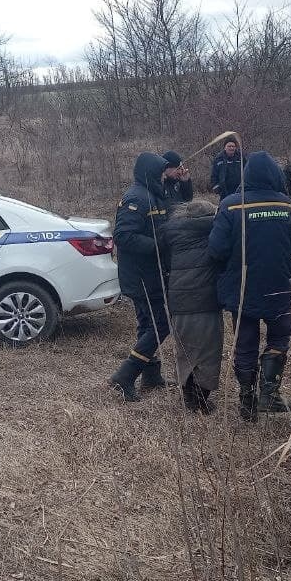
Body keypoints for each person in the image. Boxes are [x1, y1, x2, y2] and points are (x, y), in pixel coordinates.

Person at [209, 151, 291, 421]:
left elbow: (215, 249)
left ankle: (247, 400)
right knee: (281, 334)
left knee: (245, 342)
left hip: (242, 286)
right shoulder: (286, 205)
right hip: (278, 284)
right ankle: (268, 394)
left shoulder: (231, 205)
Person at [108, 153, 173, 401]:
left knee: (147, 323)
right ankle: (125, 375)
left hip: (152, 273)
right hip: (141, 276)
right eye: (160, 172)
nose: (163, 176)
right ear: (149, 173)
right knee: (161, 325)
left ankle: (151, 374)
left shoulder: (153, 194)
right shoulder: (136, 197)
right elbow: (123, 236)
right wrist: (157, 244)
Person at [164, 199, 222, 413]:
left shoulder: (175, 235)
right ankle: (199, 401)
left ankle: (189, 396)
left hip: (178, 303)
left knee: (185, 351)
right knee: (208, 353)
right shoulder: (212, 232)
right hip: (204, 302)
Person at [209, 137, 243, 201]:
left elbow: (247, 172)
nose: (231, 148)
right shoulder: (219, 159)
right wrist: (218, 189)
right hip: (225, 193)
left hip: (240, 193)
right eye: (229, 146)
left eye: (233, 146)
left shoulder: (241, 158)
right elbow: (214, 176)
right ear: (225, 147)